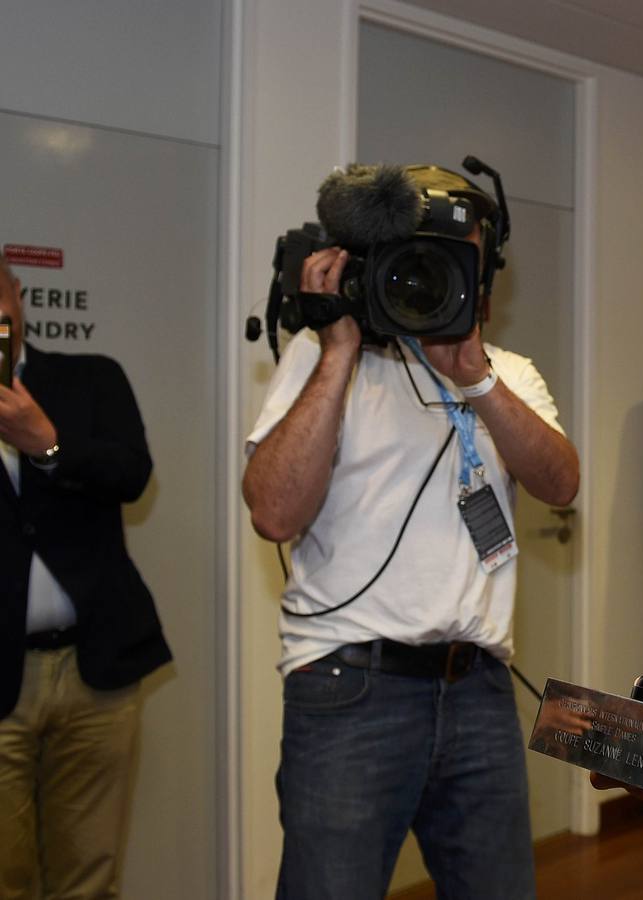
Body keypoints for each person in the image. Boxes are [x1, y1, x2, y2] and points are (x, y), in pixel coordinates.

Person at [243, 166, 580, 900]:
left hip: (479, 690)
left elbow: (561, 486)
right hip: (346, 688)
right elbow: (273, 512)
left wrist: (476, 378)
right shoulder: (321, 359)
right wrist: (336, 349)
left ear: (482, 276)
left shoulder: (508, 372)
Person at [0, 253, 170, 897]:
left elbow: (131, 475)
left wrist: (45, 442)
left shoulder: (89, 379)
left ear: (18, 296)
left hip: (93, 672)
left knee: (89, 880)